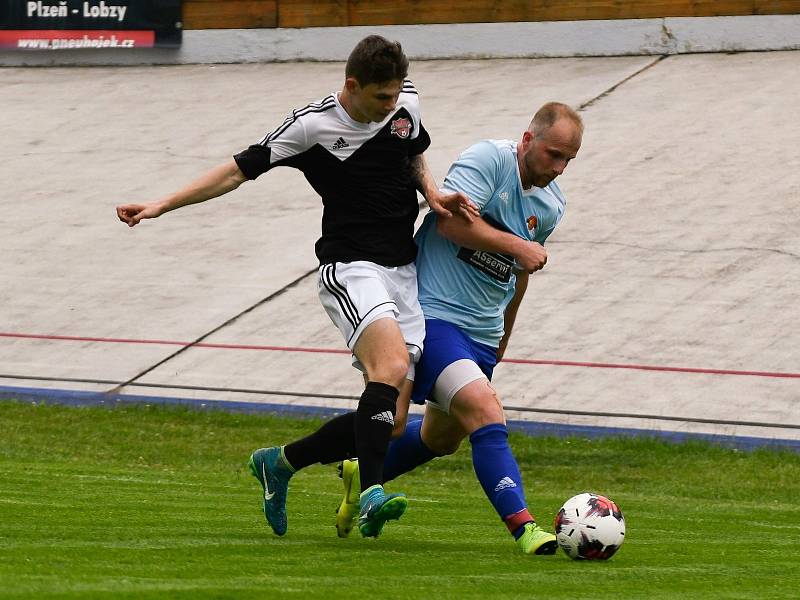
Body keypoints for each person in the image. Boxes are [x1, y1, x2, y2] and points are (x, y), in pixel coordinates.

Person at [116, 35, 476, 539]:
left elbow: (412, 150)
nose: (390, 106)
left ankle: (280, 463)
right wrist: (161, 204)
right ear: (351, 85)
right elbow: (234, 173)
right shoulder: (312, 126)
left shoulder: (404, 103)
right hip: (351, 268)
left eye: (396, 96)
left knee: (391, 423)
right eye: (380, 98)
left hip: (402, 272)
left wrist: (433, 193)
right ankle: (372, 494)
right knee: (390, 367)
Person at [334, 102, 583, 554]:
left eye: (569, 159)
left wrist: (505, 333)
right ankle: (525, 528)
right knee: (487, 414)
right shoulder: (488, 160)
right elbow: (449, 223)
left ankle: (362, 471)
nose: (559, 168)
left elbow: (517, 270)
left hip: (483, 333)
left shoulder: (551, 204)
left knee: (440, 438)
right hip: (435, 316)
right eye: (553, 154)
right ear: (528, 140)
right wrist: (516, 245)